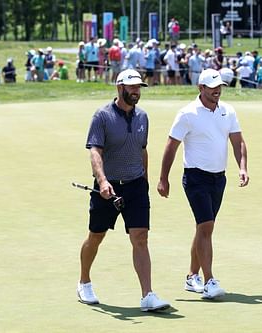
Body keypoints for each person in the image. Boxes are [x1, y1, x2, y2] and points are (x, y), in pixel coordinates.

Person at [77, 69, 170, 312]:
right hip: (108, 187)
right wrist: (103, 181)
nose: (137, 91)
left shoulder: (143, 117)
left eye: (139, 87)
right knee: (96, 236)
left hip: (136, 186)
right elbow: (95, 152)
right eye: (132, 87)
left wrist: (146, 182)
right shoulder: (103, 116)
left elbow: (142, 150)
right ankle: (84, 281)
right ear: (120, 88)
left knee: (140, 238)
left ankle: (147, 295)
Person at [157, 68, 249, 300]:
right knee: (206, 227)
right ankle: (209, 281)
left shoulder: (228, 111)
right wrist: (163, 178)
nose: (217, 90)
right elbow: (171, 146)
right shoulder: (187, 113)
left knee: (203, 228)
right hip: (196, 177)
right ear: (201, 88)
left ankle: (191, 277)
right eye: (212, 87)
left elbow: (237, 141)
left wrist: (243, 167)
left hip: (219, 179)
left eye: (219, 87)